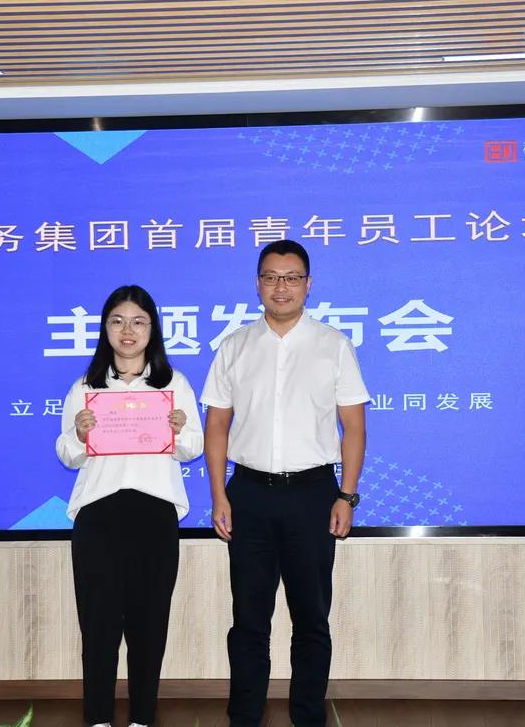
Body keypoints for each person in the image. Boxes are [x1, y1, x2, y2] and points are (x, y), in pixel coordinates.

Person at [200, 240, 369, 727]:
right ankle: (244, 716)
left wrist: (346, 495)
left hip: (313, 495)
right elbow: (217, 426)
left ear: (308, 285)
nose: (281, 287)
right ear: (257, 284)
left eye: (292, 277)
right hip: (248, 494)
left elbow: (353, 427)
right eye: (272, 277)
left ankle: (308, 717)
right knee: (249, 620)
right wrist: (219, 495)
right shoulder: (234, 346)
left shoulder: (333, 345)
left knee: (311, 618)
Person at [56, 284, 203, 727]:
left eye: (139, 322)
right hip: (98, 514)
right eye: (118, 321)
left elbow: (193, 447)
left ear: (152, 329)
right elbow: (66, 453)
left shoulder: (173, 384)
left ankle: (142, 718)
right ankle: (98, 718)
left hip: (154, 514)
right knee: (98, 625)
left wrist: (178, 429)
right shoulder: (86, 387)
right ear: (104, 328)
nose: (128, 331)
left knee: (149, 623)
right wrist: (80, 434)